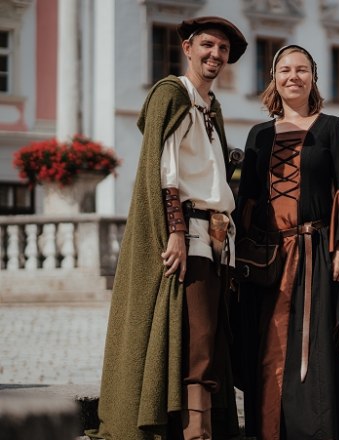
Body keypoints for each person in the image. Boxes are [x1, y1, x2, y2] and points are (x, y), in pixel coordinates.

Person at [88, 16, 247, 440]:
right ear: (188, 48)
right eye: (208, 46)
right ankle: (197, 433)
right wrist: (175, 232)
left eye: (223, 50)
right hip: (189, 233)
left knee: (210, 337)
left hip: (216, 237)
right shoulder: (171, 94)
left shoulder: (211, 106)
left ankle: (198, 428)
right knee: (199, 338)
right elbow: (165, 171)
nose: (216, 54)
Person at [232, 45, 339, 440]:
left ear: (313, 77)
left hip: (315, 253)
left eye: (301, 70)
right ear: (274, 77)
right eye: (285, 70)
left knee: (315, 352)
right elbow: (245, 199)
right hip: (266, 260)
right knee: (266, 349)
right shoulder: (258, 134)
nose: (293, 77)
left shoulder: (332, 127)